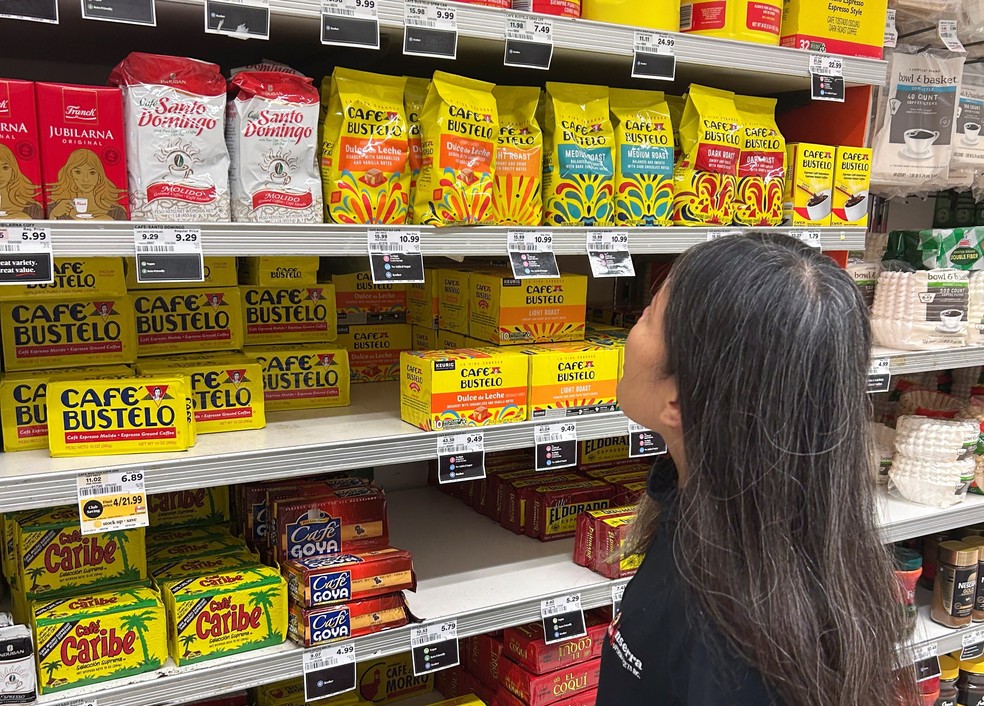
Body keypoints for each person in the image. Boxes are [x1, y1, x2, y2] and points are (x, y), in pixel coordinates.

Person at [596, 233, 917, 706]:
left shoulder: (732, 650)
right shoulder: (730, 528)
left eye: (647, 316)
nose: (631, 330)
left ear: (681, 401)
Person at [46, 148, 127, 221]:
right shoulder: (55, 209)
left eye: (92, 172)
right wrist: (53, 215)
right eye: (78, 172)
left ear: (99, 176)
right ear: (70, 174)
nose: (85, 179)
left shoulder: (117, 212)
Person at [0, 144, 42, 220]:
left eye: (5, 168)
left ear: (13, 170)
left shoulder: (33, 208)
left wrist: (28, 221)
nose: (0, 174)